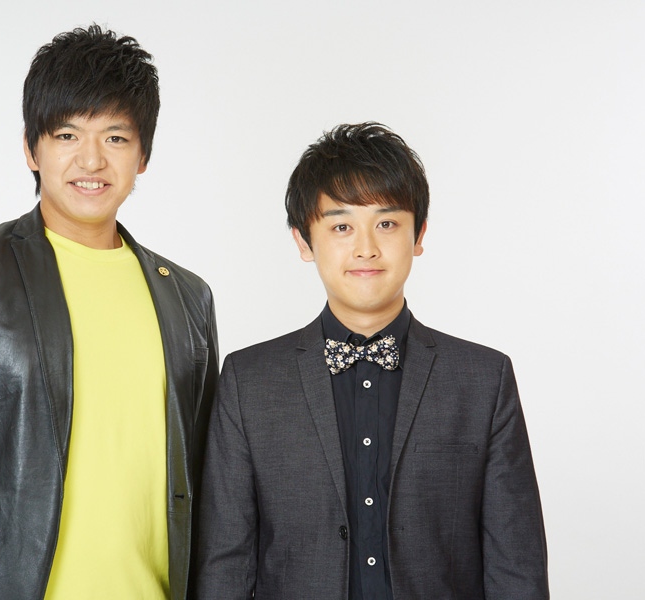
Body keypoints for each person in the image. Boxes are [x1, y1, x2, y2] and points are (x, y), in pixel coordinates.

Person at [0, 25, 219, 600]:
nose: (91, 159)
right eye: (67, 134)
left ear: (143, 155)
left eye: (116, 137)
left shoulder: (188, 298)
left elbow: (209, 489)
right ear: (31, 148)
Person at [196, 123, 547, 599]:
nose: (366, 248)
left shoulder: (483, 379)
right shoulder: (249, 381)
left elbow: (517, 567)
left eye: (386, 224)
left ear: (419, 234)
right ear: (304, 241)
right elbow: (225, 564)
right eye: (341, 227)